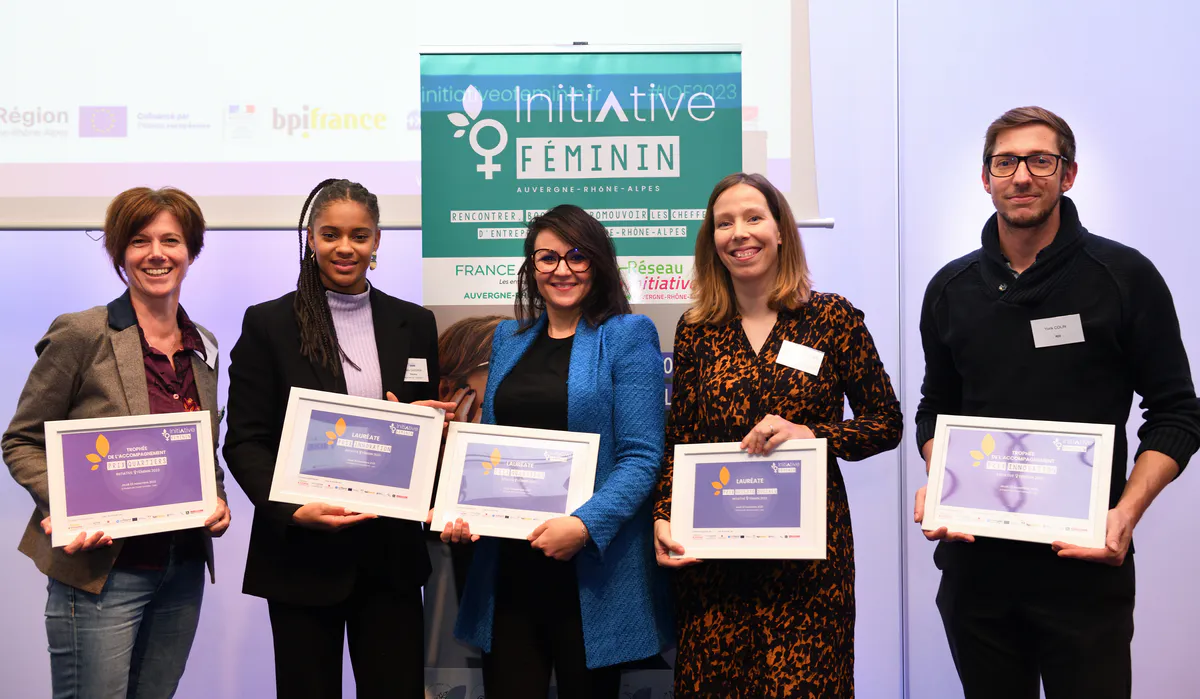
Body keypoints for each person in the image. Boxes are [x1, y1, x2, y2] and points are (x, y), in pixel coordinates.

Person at [912, 106, 1200, 699]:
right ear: (985, 177)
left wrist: (1125, 514)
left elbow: (1177, 413)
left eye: (1041, 161)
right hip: (976, 575)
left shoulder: (1124, 276)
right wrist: (942, 480)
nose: (1022, 176)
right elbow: (934, 408)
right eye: (1005, 162)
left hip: (1084, 574)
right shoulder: (949, 289)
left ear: (1068, 174)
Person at [652, 173, 902, 697]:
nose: (739, 233)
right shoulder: (697, 329)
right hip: (714, 563)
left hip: (807, 565)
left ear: (781, 229)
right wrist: (662, 514)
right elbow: (681, 439)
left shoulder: (831, 317)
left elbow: (885, 422)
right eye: (724, 223)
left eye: (753, 217)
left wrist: (812, 434)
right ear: (712, 240)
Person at [222, 179, 453, 699]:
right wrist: (291, 509)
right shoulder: (269, 324)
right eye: (330, 234)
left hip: (390, 558)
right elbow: (245, 441)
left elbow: (420, 433)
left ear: (377, 241)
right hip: (301, 555)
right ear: (310, 238)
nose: (345, 247)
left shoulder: (415, 323)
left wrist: (423, 429)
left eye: (359, 235)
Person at [2, 186, 232, 698]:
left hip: (181, 569)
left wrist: (216, 499)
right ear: (119, 253)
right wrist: (68, 504)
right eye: (139, 241)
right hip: (102, 572)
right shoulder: (83, 334)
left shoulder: (205, 345)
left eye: (171, 240)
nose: (156, 254)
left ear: (191, 251)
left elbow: (201, 447)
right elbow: (21, 440)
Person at [442, 205, 672, 699]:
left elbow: (641, 457)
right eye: (547, 257)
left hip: (588, 570)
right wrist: (462, 511)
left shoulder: (627, 335)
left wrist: (583, 526)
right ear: (532, 266)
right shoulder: (508, 339)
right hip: (509, 566)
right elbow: (493, 443)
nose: (561, 269)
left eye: (576, 256)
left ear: (598, 262)